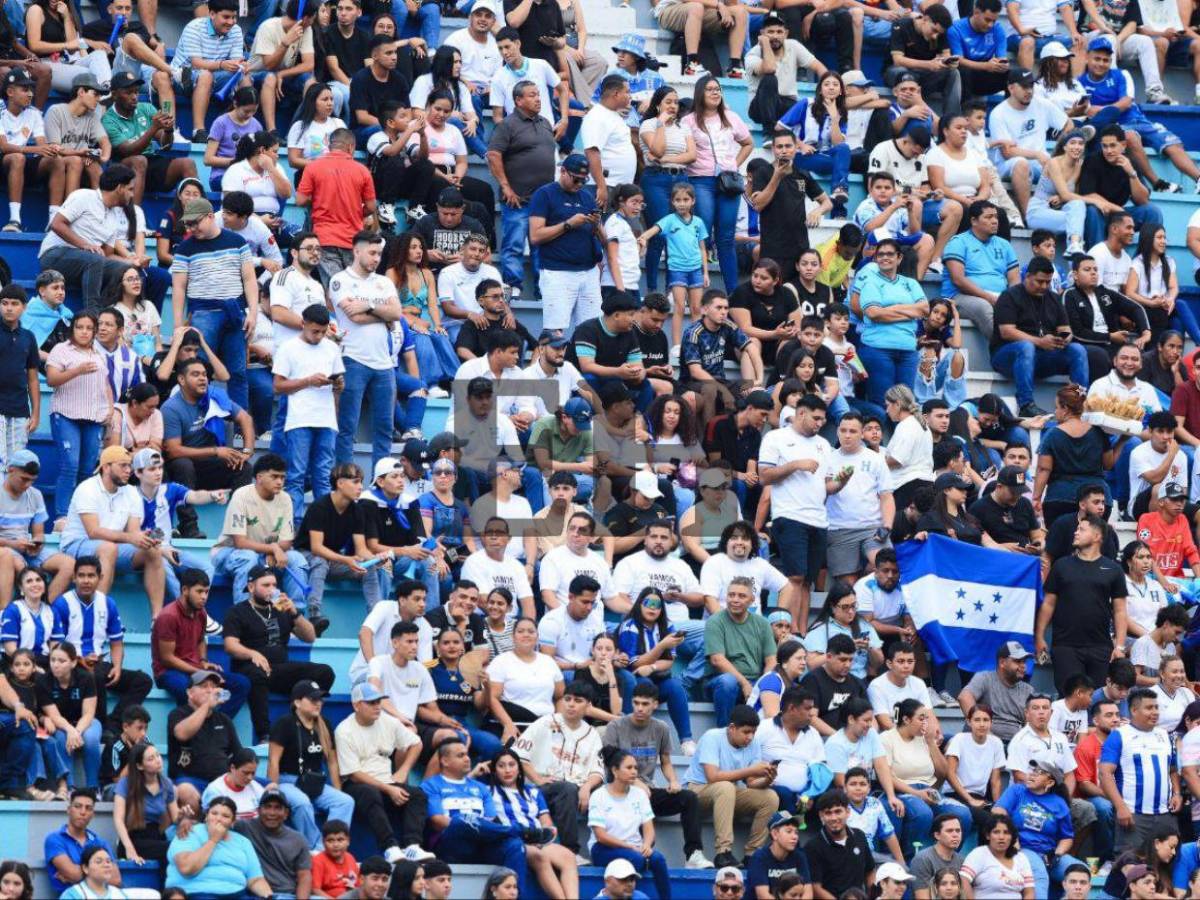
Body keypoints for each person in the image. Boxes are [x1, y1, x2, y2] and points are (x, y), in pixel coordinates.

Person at [224, 565, 331, 741]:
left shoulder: (281, 608)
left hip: (280, 669)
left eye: (274, 585)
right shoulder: (237, 612)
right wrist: (252, 654)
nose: (271, 589)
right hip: (250, 668)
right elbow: (230, 645)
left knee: (325, 672)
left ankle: (300, 721)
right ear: (251, 587)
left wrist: (295, 613)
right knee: (257, 675)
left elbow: (310, 637)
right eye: (266, 585)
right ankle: (264, 735)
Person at [48, 554, 151, 733]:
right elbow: (55, 646)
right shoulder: (63, 604)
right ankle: (102, 728)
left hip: (98, 663)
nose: (86, 581)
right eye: (81, 575)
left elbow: (116, 643)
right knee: (94, 675)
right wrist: (78, 659)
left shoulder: (107, 603)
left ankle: (114, 721)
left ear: (100, 578)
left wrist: (117, 666)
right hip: (72, 666)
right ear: (74, 577)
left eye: (91, 576)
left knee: (143, 681)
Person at [333, 682, 432, 864]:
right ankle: (389, 847)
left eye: (378, 701)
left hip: (387, 782)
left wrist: (402, 771)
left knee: (417, 795)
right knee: (370, 793)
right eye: (371, 703)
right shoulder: (344, 730)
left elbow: (416, 743)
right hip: (357, 784)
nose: (377, 706)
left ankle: (412, 846)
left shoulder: (387, 721)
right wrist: (388, 789)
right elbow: (354, 773)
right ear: (356, 705)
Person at [1038, 513, 1129, 693]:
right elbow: (1048, 604)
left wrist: (1119, 645)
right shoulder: (1061, 565)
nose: (1076, 532)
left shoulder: (1113, 569)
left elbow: (1120, 611)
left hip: (1101, 646)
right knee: (1069, 698)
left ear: (1097, 536)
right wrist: (1039, 636)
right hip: (1065, 646)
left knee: (1097, 702)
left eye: (1081, 529)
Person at [512, 680, 604, 857]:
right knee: (567, 788)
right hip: (539, 789)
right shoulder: (545, 722)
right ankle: (571, 851)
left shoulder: (592, 734)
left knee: (594, 792)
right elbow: (518, 755)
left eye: (578, 701)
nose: (571, 704)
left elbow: (597, 771)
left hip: (574, 791)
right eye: (568, 699)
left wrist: (586, 787)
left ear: (588, 705)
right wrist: (538, 779)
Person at [684, 704, 781, 870]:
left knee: (770, 797)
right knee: (725, 786)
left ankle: (752, 854)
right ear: (732, 728)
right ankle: (724, 852)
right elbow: (712, 776)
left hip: (727, 793)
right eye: (746, 732)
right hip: (697, 791)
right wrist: (751, 769)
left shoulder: (753, 743)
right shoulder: (712, 737)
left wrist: (766, 779)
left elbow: (751, 782)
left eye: (753, 732)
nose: (750, 737)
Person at [588, 747, 672, 899]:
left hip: (635, 848)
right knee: (637, 859)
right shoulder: (598, 795)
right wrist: (628, 846)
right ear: (614, 770)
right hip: (603, 848)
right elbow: (600, 835)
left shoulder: (640, 794)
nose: (634, 771)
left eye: (635, 768)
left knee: (658, 859)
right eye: (629, 767)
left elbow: (648, 827)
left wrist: (646, 844)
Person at [994, 758, 1085, 897]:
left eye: (1040, 772)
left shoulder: (1059, 803)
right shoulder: (1017, 791)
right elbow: (998, 811)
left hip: (1049, 855)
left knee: (1082, 872)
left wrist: (1057, 854)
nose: (1032, 774)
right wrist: (1012, 836)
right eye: (1032, 771)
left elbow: (1066, 837)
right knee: (1038, 873)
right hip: (1022, 849)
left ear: (1050, 782)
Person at [957, 642, 1036, 742]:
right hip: (983, 740)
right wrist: (985, 732)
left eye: (1024, 662)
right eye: (1018, 661)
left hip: (1015, 744)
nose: (1023, 666)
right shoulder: (985, 678)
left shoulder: (1028, 690)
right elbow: (964, 697)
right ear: (1002, 663)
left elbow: (1032, 723)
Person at [959, 813, 1035, 898]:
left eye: (1006, 833)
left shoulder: (1021, 858)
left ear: (1012, 836)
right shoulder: (979, 854)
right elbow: (963, 880)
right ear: (988, 835)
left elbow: (1029, 892)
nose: (1001, 837)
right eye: (996, 832)